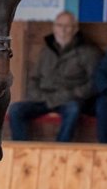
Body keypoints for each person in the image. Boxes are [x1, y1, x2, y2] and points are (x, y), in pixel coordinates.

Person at [7, 11, 101, 142]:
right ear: (54, 28)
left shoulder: (88, 52)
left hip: (69, 100)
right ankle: (22, 149)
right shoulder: (46, 51)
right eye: (59, 25)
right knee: (15, 109)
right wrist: (39, 96)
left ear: (75, 29)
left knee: (73, 109)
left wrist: (73, 94)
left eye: (67, 26)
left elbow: (95, 82)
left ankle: (59, 150)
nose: (62, 30)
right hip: (44, 99)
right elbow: (34, 78)